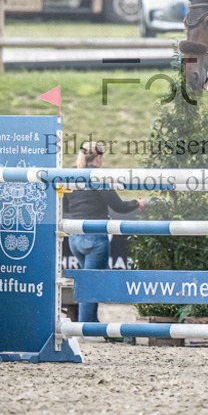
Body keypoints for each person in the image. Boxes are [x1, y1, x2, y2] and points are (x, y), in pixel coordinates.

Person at [63, 141, 146, 333]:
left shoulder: (70, 174)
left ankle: (92, 323)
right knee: (91, 287)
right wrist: (137, 202)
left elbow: (66, 206)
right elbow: (119, 206)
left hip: (75, 237)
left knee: (88, 283)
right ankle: (86, 328)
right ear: (99, 158)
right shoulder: (97, 177)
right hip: (95, 238)